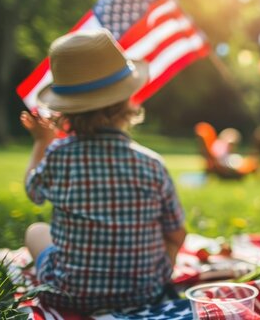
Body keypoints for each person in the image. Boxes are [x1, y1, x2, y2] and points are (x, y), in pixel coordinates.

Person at [21, 29, 186, 313]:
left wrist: (41, 141)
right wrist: (164, 261)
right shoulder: (152, 164)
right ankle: (150, 277)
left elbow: (33, 191)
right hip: (144, 294)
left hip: (69, 295)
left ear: (66, 110)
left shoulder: (58, 156)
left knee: (36, 231)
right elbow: (178, 233)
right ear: (127, 100)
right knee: (165, 235)